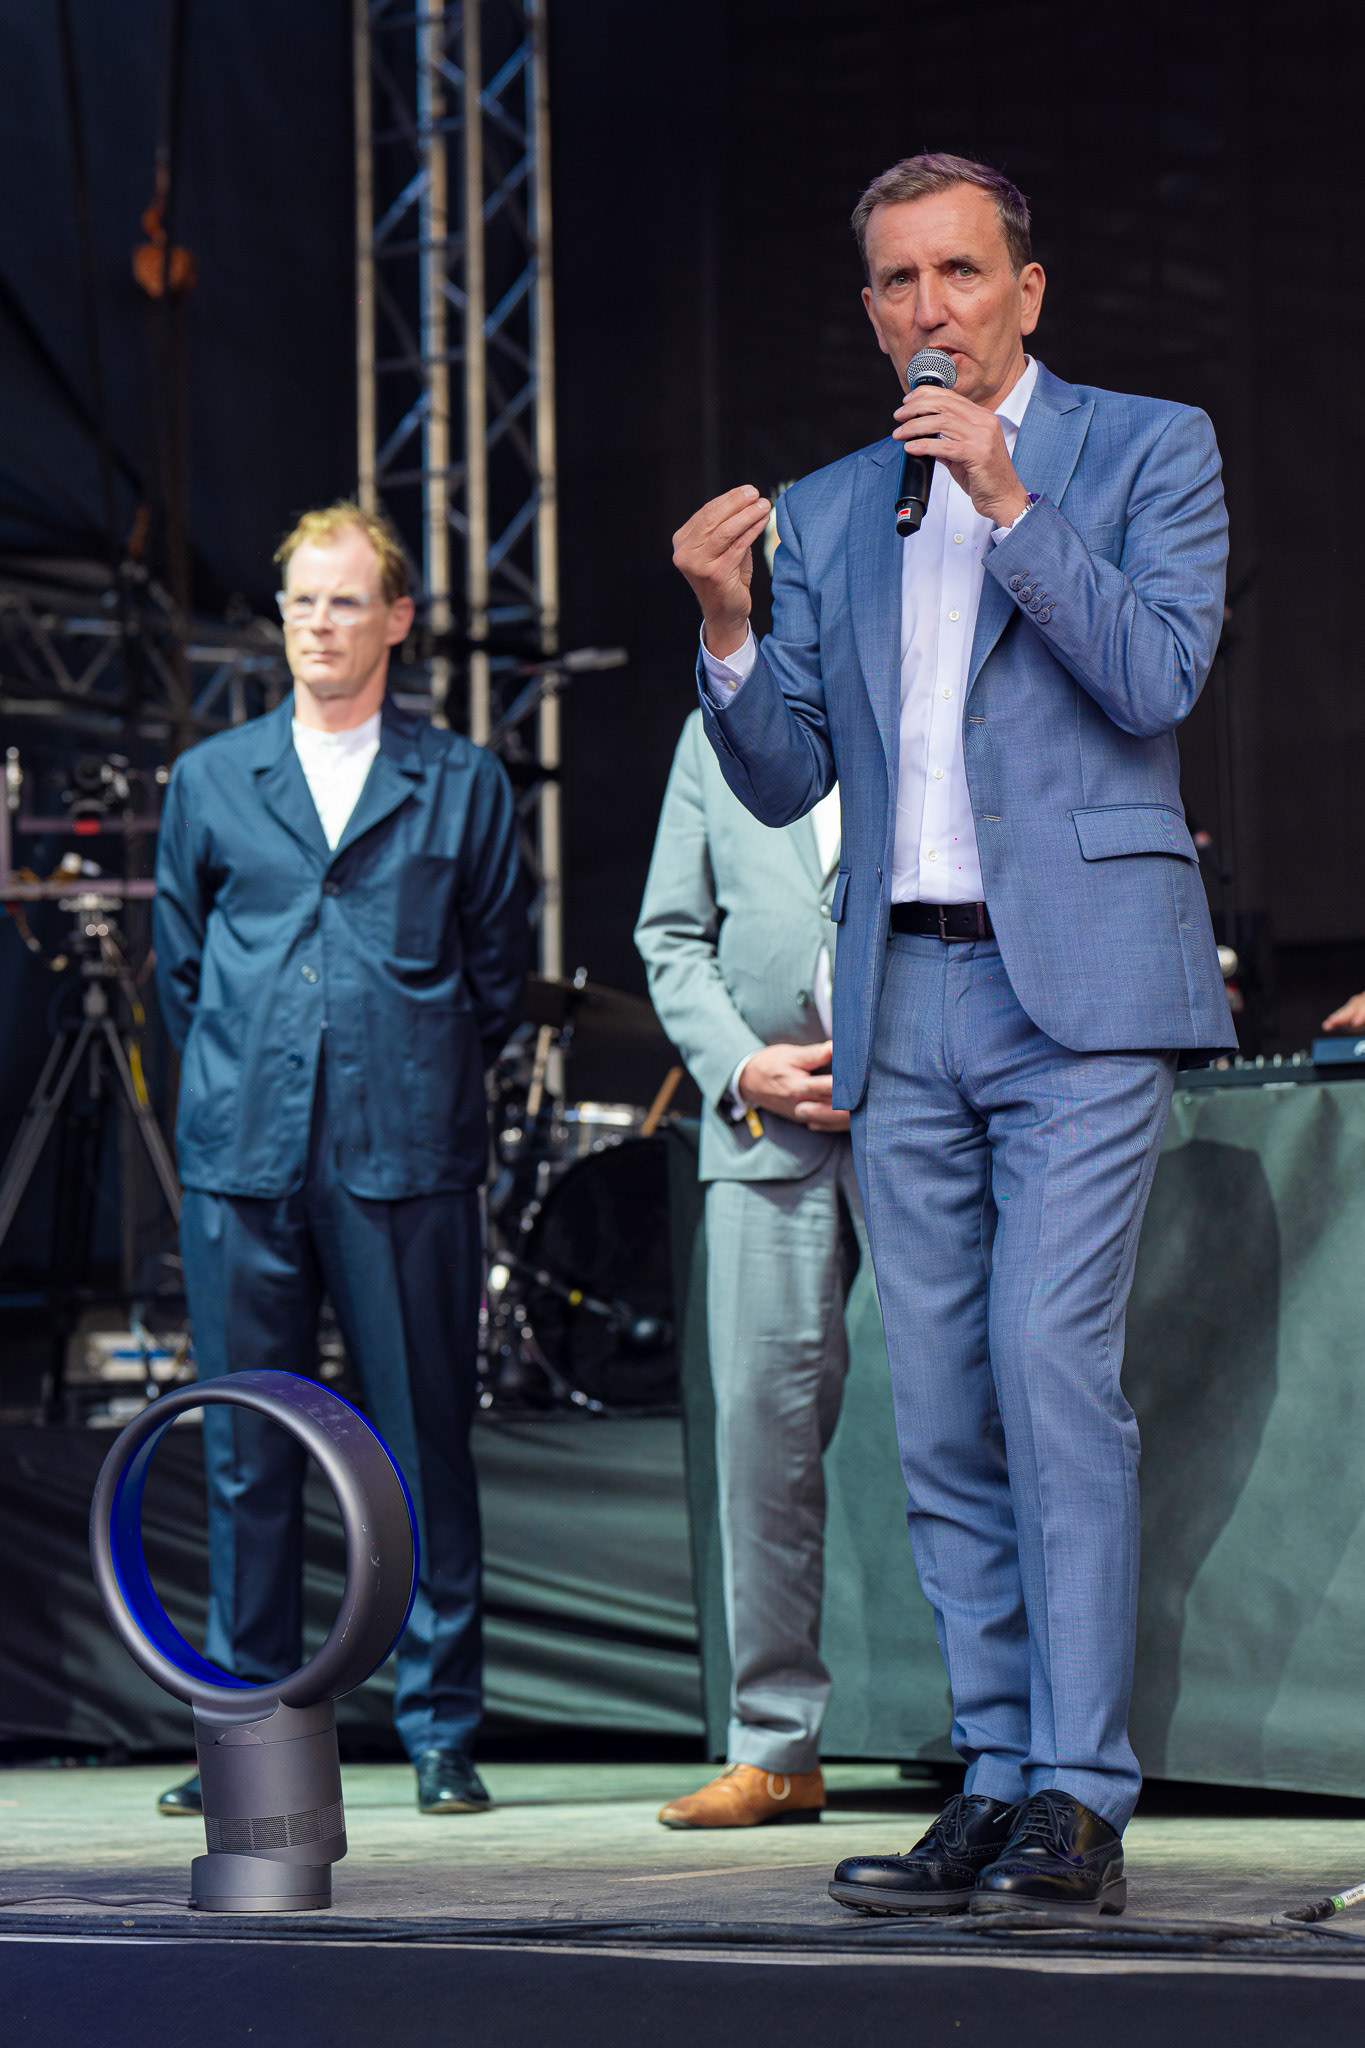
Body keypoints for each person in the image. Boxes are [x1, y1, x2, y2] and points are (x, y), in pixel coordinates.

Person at [671, 153, 1235, 1916]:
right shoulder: (836, 504)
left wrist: (1008, 499)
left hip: (1081, 992)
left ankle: (1080, 1788)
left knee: (1048, 1366)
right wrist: (728, 626)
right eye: (900, 281)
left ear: (1028, 291)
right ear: (870, 312)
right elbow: (784, 775)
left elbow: (1158, 675)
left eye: (963, 273)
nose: (932, 308)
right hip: (900, 993)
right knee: (938, 1404)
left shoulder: (1148, 448)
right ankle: (992, 1772)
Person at [153, 502, 524, 1817]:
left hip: (404, 1151)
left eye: (346, 600)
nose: (319, 625)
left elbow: (495, 979)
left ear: (397, 619)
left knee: (422, 1443)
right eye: (302, 601)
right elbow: (179, 973)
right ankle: (246, 1727)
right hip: (243, 1149)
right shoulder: (212, 779)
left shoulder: (462, 782)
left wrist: (410, 1072)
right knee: (244, 1448)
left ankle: (440, 1731)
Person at [637, 710, 873, 1828]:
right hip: (761, 1131)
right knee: (760, 1443)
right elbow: (670, 934)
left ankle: (1010, 1746)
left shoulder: (923, 697)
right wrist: (741, 1066)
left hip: (921, 1111)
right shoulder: (714, 731)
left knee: (966, 1422)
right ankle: (776, 1749)